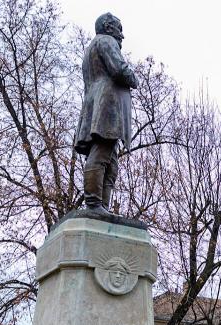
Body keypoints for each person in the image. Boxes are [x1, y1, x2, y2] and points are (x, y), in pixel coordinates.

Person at [74, 13, 140, 213]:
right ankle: (94, 204)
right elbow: (119, 70)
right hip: (107, 104)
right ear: (109, 27)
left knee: (111, 163)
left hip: (97, 102)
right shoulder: (106, 41)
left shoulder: (91, 48)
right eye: (119, 29)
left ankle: (102, 207)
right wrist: (134, 79)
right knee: (102, 153)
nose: (122, 36)